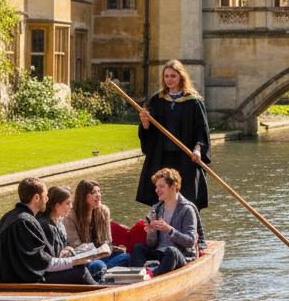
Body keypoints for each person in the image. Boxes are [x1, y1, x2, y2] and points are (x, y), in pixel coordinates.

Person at [137, 60, 211, 247]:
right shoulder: (157, 100)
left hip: (185, 159)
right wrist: (145, 123)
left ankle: (196, 240)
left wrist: (197, 149)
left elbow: (202, 131)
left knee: (189, 199)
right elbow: (147, 133)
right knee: (160, 196)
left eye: (173, 76)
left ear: (181, 77)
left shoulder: (193, 101)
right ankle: (157, 239)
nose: (169, 80)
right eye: (166, 76)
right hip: (161, 158)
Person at [0, 178, 94, 285]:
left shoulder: (8, 216)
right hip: (19, 282)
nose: (47, 199)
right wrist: (73, 261)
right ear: (37, 198)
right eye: (46, 196)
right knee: (80, 271)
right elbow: (42, 263)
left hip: (4, 278)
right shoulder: (26, 222)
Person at [131, 168, 199, 276]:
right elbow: (151, 244)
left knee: (171, 251)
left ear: (173, 187)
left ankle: (152, 277)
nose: (156, 190)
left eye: (161, 186)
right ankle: (138, 276)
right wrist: (151, 233)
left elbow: (190, 241)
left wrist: (170, 230)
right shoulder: (156, 209)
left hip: (180, 255)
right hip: (160, 254)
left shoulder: (187, 209)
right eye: (156, 187)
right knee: (138, 248)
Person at [42, 186, 108, 283]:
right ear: (57, 205)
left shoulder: (59, 222)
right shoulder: (46, 226)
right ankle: (100, 288)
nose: (71, 206)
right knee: (93, 267)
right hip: (52, 272)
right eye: (67, 203)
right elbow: (50, 260)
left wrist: (68, 249)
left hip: (66, 262)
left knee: (99, 264)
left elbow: (62, 248)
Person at [65, 179, 130, 269]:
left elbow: (108, 241)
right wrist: (95, 252)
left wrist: (105, 250)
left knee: (126, 257)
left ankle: (103, 268)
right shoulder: (70, 216)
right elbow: (76, 246)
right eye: (93, 192)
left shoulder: (103, 211)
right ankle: (102, 268)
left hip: (102, 255)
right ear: (83, 196)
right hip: (84, 258)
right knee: (98, 265)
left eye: (99, 191)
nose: (98, 195)